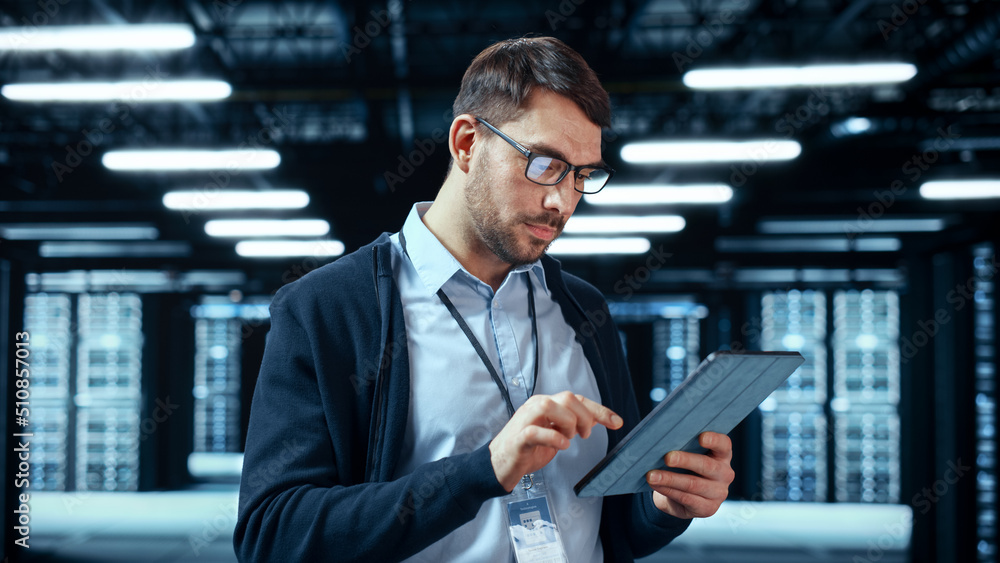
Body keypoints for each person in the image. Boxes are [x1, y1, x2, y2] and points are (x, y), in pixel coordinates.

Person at [234, 36, 734, 563]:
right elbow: (273, 536)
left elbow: (614, 526)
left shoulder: (584, 310)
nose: (561, 202)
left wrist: (664, 503)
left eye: (583, 176)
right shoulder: (326, 310)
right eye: (544, 164)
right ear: (467, 143)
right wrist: (484, 470)